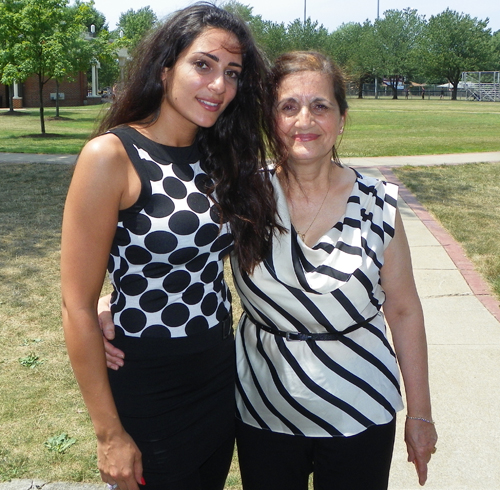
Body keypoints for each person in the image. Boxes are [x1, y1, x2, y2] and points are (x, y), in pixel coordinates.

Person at [102, 51, 438, 490]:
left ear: (342, 117)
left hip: (361, 406)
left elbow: (405, 311)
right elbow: (178, 254)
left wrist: (421, 413)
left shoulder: (380, 203)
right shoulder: (242, 195)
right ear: (270, 119)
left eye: (321, 106)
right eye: (288, 107)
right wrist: (107, 299)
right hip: (265, 408)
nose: (305, 120)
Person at [60, 4, 281, 490]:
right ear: (165, 68)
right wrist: (109, 434)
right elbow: (75, 303)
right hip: (149, 384)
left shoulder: (220, 156)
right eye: (202, 65)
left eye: (232, 73)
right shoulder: (112, 156)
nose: (219, 85)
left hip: (219, 373)